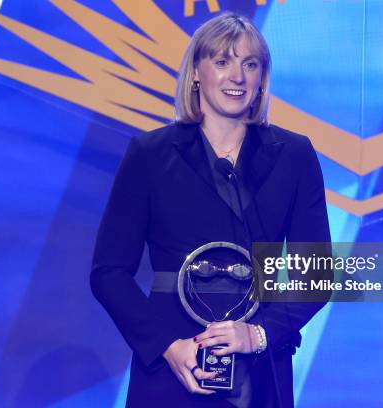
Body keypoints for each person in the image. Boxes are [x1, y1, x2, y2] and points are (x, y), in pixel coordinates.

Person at [91, 12, 331, 408]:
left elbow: (315, 274)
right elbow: (108, 273)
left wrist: (258, 335)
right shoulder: (149, 155)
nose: (237, 76)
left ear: (260, 79)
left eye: (249, 64)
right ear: (197, 73)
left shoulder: (295, 155)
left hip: (261, 369)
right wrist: (167, 346)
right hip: (173, 366)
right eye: (223, 61)